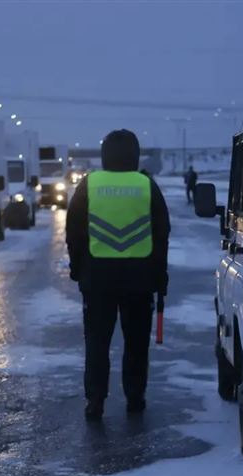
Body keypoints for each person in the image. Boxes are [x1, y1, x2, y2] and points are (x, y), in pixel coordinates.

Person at [66, 129, 170, 421]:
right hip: (139, 282)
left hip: (97, 282)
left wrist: (77, 269)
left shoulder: (90, 184)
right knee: (136, 344)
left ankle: (95, 401)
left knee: (97, 344)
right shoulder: (147, 185)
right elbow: (161, 234)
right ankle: (135, 398)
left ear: (104, 155)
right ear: (135, 154)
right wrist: (159, 275)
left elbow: (74, 231)